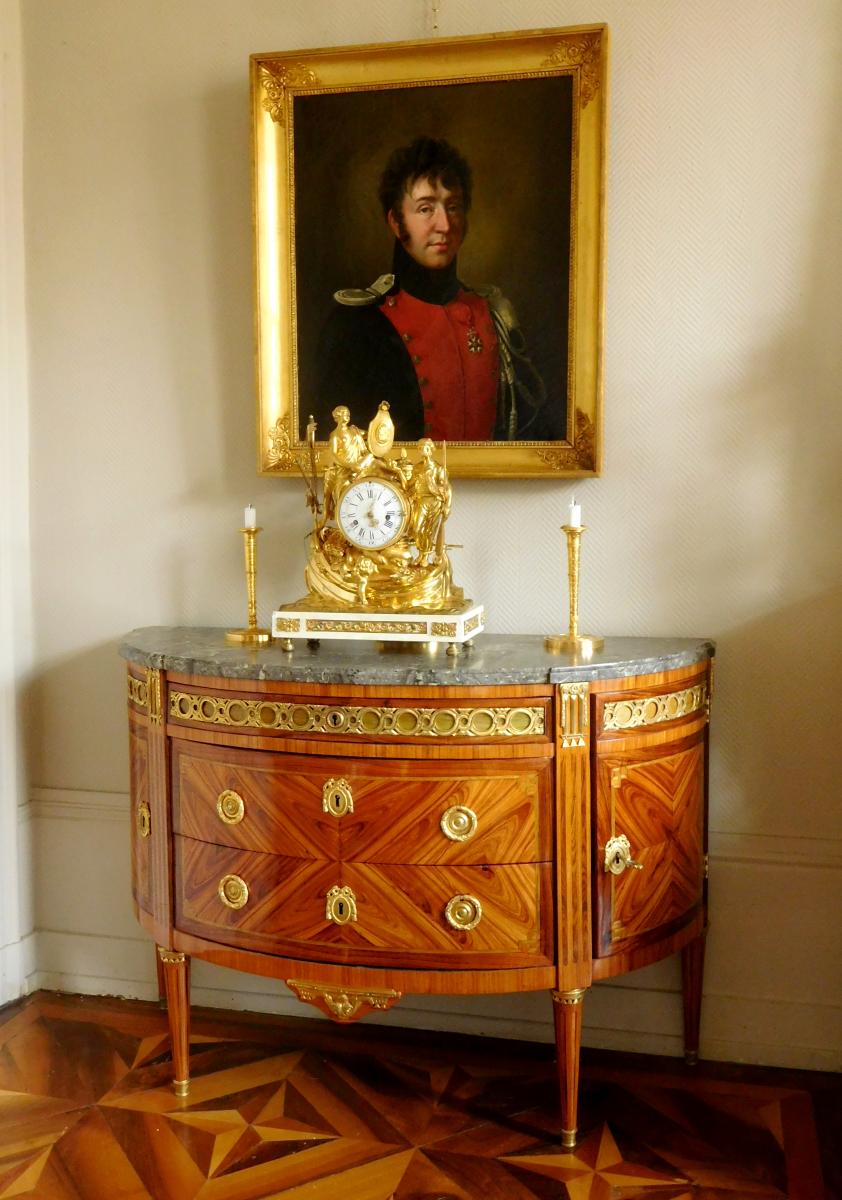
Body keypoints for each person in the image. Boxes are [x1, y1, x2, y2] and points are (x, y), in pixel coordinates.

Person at [312, 136, 547, 442]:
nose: (445, 226)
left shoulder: (493, 313)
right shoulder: (356, 327)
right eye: (425, 209)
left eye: (453, 207)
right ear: (397, 222)